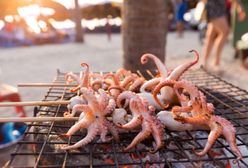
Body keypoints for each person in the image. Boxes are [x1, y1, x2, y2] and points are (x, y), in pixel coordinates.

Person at [202, 0, 245, 72]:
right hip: (216, 10)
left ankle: (205, 62)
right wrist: (240, 8)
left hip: (215, 8)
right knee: (225, 32)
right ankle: (216, 63)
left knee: (211, 35)